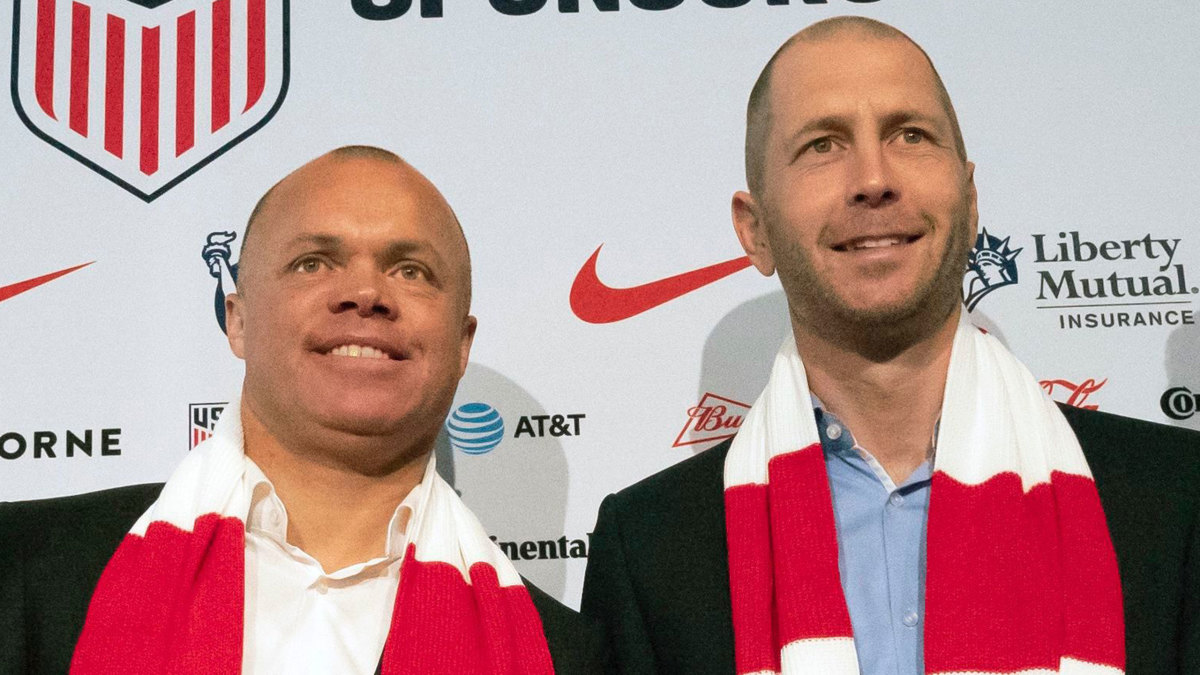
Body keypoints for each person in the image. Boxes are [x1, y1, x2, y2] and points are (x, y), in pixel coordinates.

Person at [581, 17, 1200, 675]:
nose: (874, 177)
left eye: (911, 135)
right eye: (823, 145)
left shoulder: (1177, 497)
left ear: (970, 200)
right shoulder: (648, 549)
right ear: (755, 230)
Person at [0, 146, 607, 674]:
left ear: (461, 346)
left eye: (411, 270)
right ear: (237, 320)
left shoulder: (568, 656)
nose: (366, 293)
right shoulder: (24, 569)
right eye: (313, 262)